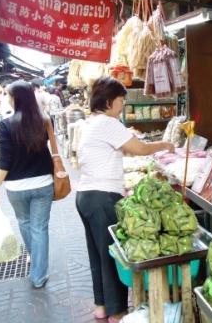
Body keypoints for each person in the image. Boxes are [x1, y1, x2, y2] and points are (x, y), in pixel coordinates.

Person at [75, 77, 175, 322]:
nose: (122, 106)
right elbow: (139, 149)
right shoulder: (108, 123)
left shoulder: (92, 123)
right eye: (121, 101)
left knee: (97, 254)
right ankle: (117, 310)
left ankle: (101, 305)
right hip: (102, 198)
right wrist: (165, 145)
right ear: (109, 102)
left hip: (86, 196)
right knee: (112, 256)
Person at [0, 80, 55, 289]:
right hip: (43, 183)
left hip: (16, 188)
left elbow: (5, 160)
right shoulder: (44, 120)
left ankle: (35, 259)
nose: (7, 99)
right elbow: (53, 149)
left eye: (8, 95)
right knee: (40, 228)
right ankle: (39, 276)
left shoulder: (6, 125)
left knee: (25, 224)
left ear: (16, 98)